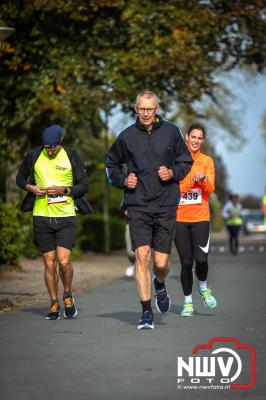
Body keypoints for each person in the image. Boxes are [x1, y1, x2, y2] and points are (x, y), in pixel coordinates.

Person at [106, 90, 193, 329]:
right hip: (138, 204)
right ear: (135, 108)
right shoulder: (126, 137)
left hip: (165, 204)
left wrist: (173, 173)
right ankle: (146, 312)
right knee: (142, 256)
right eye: (141, 108)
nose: (145, 113)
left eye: (150, 109)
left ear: (157, 109)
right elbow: (110, 164)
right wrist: (123, 180)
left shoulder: (171, 132)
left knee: (161, 264)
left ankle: (160, 284)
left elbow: (186, 160)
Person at [16, 125, 89, 320]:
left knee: (64, 261)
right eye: (47, 148)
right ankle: (53, 303)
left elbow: (84, 185)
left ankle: (67, 295)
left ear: (61, 141)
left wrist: (64, 190)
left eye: (53, 148)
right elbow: (19, 178)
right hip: (41, 216)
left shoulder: (72, 156)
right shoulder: (34, 155)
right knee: (49, 263)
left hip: (66, 216)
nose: (50, 151)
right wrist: (31, 187)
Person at [174, 123, 217, 317]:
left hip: (201, 218)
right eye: (194, 137)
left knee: (201, 259)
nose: (196, 141)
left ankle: (203, 287)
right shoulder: (176, 160)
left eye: (200, 138)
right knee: (185, 262)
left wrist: (203, 181)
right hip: (179, 218)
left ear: (203, 141)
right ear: (186, 137)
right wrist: (190, 183)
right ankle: (188, 302)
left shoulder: (207, 161)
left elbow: (211, 188)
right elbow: (173, 187)